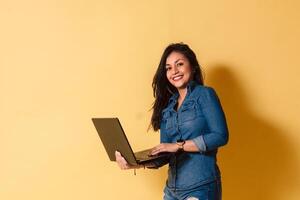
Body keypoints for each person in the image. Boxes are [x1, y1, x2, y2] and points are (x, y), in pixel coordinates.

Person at [115, 43, 229, 200]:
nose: (174, 71)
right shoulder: (167, 108)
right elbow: (166, 153)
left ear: (193, 66)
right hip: (172, 191)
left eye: (179, 64)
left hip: (200, 187)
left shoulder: (205, 94)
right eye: (168, 68)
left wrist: (178, 145)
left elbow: (220, 136)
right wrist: (136, 163)